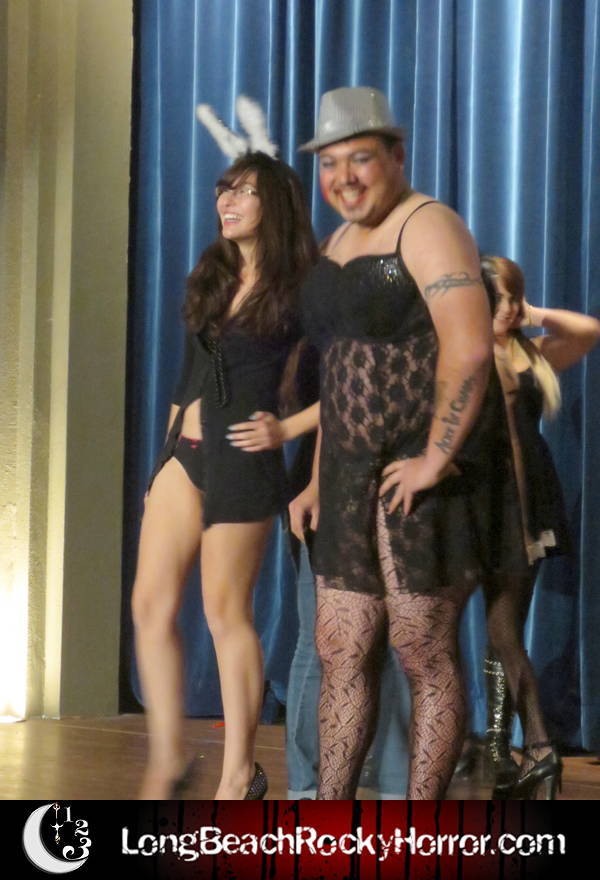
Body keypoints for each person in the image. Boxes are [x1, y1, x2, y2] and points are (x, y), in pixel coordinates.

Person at [289, 86, 500, 800]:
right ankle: (330, 818)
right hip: (348, 475)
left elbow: (469, 349)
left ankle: (419, 827)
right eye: (330, 164)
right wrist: (317, 478)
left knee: (420, 650)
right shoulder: (335, 243)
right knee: (341, 648)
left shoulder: (428, 223)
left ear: (396, 156)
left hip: (417, 471)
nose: (343, 177)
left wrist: (437, 457)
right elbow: (339, 374)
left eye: (360, 159)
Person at [132, 123, 318, 799]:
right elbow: (186, 379)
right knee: (150, 605)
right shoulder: (212, 274)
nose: (226, 201)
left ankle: (240, 771)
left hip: (244, 463)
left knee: (224, 613)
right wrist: (161, 464)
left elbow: (349, 386)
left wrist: (287, 430)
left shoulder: (304, 289)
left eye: (243, 191)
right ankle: (167, 758)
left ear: (276, 204)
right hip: (184, 458)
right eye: (223, 190)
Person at [476, 255, 600, 799]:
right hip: (476, 497)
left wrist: (535, 311)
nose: (509, 308)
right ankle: (507, 748)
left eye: (514, 297)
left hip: (525, 499)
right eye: (500, 298)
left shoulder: (531, 354)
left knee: (505, 626)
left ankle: (531, 747)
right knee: (495, 629)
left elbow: (588, 330)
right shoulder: (462, 351)